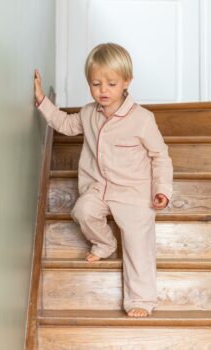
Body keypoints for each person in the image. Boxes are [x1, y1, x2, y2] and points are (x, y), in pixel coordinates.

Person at [34, 43, 173, 318]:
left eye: (111, 83)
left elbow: (161, 156)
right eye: (96, 84)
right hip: (98, 187)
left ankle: (141, 299)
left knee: (137, 244)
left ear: (126, 82)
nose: (103, 90)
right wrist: (42, 101)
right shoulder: (88, 113)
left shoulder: (142, 119)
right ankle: (106, 244)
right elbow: (65, 124)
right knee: (82, 210)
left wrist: (162, 190)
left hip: (134, 193)